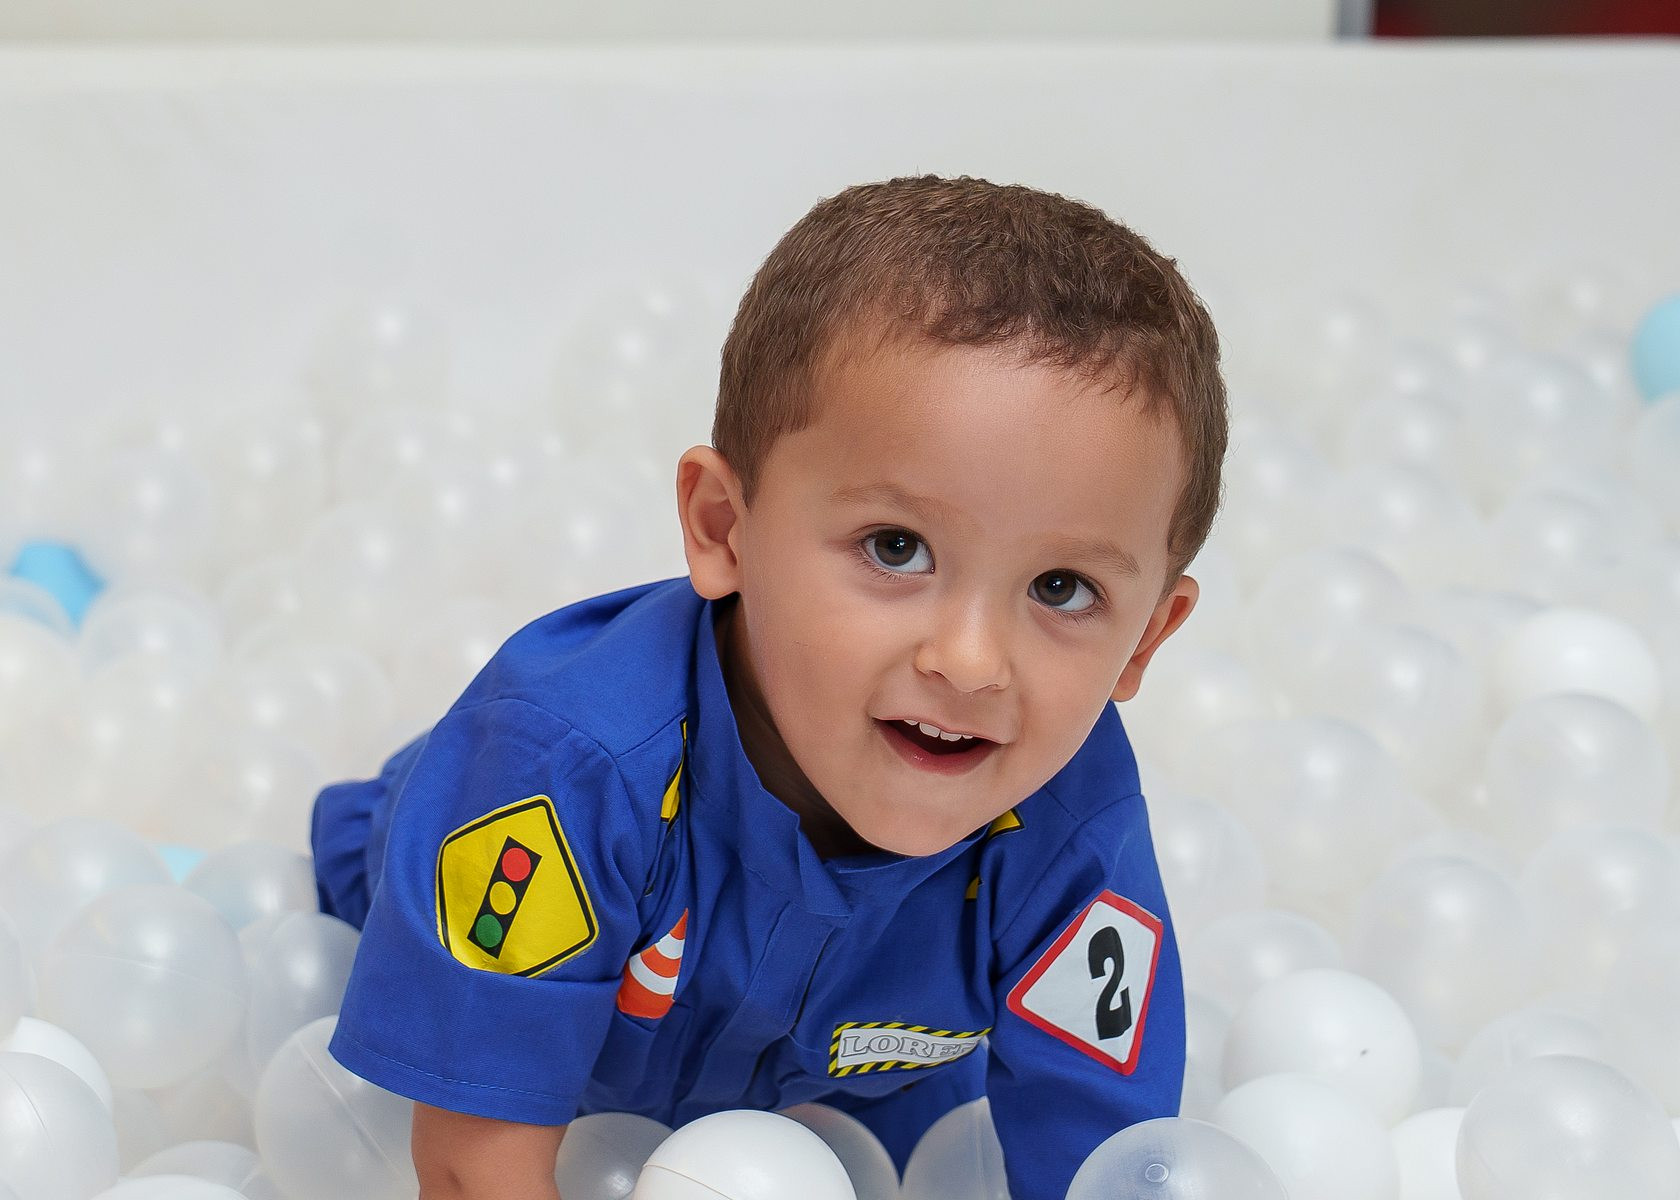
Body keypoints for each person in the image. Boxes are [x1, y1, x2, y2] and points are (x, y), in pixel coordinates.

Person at [311, 173, 1228, 1200]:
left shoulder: (1071, 830)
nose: (972, 661)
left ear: (1146, 639)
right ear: (723, 528)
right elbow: (472, 1170)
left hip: (840, 1070)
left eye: (1062, 588)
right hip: (459, 925)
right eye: (896, 546)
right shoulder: (564, 769)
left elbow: (1104, 1166)